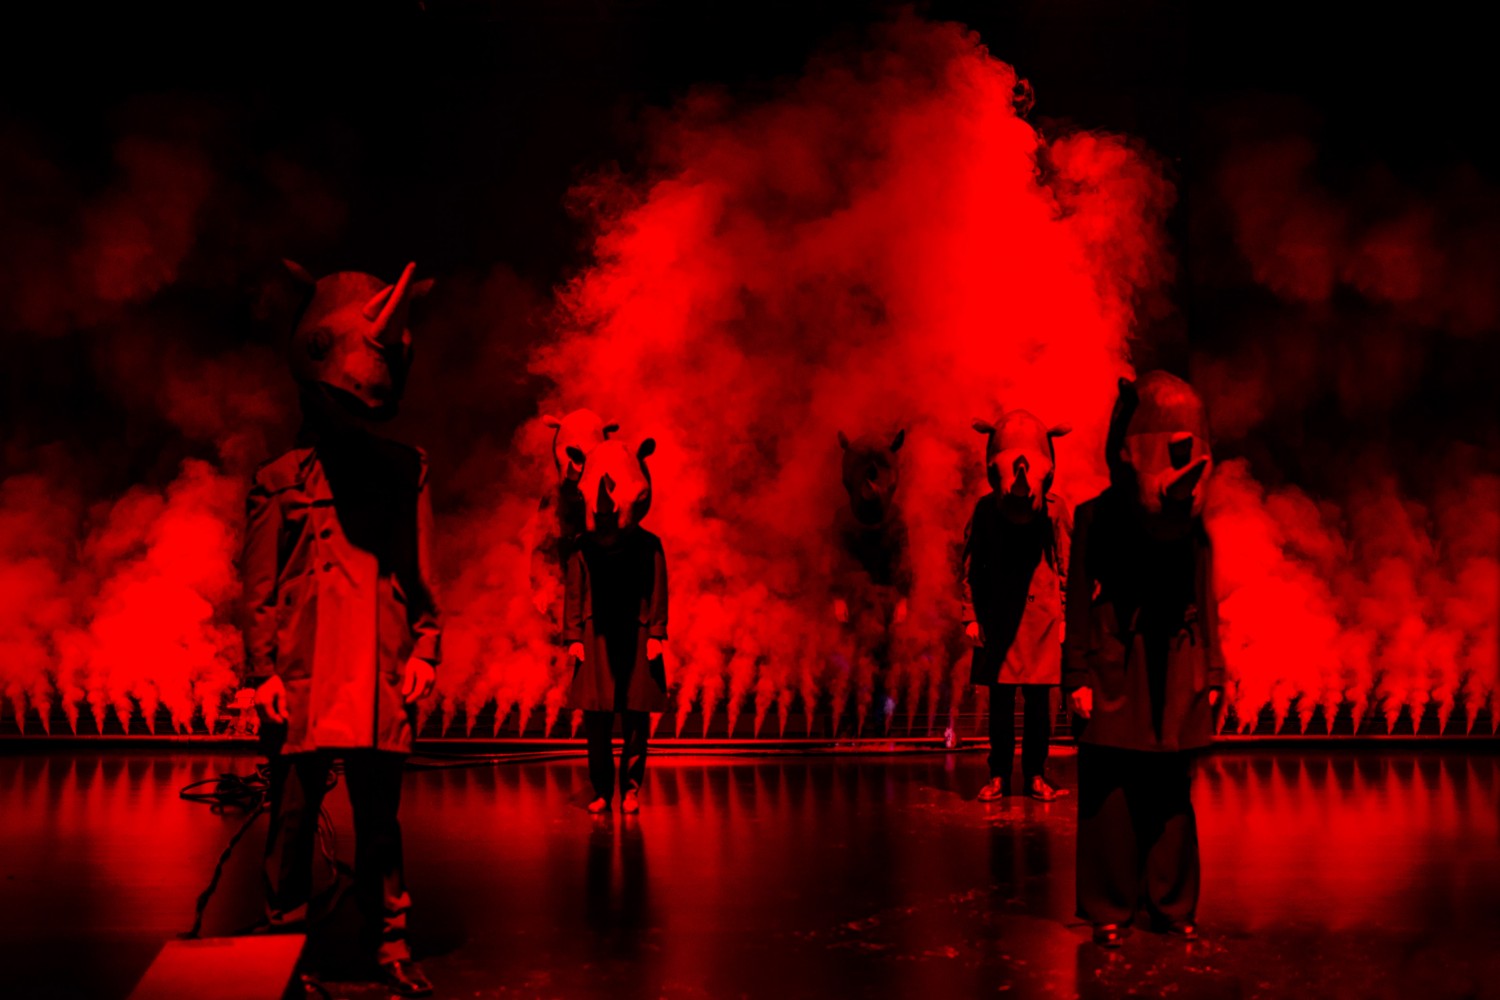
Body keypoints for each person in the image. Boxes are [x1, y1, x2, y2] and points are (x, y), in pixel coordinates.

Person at [242, 259, 439, 997]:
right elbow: (259, 587)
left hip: (378, 666)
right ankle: (285, 945)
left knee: (380, 820)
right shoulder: (279, 479)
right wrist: (261, 672)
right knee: (292, 819)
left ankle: (390, 943)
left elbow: (422, 570)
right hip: (304, 672)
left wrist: (428, 647)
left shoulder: (405, 469)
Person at [1063, 371, 1224, 948]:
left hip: (1175, 660)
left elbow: (1203, 595)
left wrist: (1213, 671)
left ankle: (1172, 903)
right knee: (1109, 789)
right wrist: (1076, 673)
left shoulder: (1193, 530)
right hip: (1112, 660)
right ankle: (1110, 905)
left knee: (1170, 790)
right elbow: (1078, 599)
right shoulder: (1094, 517)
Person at [961, 409, 1072, 801]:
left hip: (1042, 620)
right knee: (1001, 705)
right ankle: (999, 775)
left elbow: (1066, 564)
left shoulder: (1055, 508)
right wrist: (971, 615)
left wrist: (1065, 616)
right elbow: (971, 566)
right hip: (999, 618)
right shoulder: (985, 510)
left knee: (1039, 706)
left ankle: (1036, 774)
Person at [563, 436, 668, 814]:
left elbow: (657, 588)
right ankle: (602, 790)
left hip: (637, 635)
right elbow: (574, 591)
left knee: (636, 720)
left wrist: (656, 633)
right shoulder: (583, 546)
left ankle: (631, 789)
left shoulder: (649, 544)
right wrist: (573, 635)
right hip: (595, 636)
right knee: (597, 721)